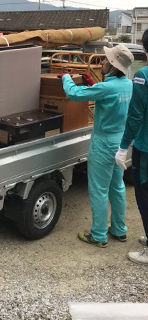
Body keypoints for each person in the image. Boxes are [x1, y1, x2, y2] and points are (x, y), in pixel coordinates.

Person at [59, 45, 134, 247]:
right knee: (117, 186)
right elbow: (109, 96)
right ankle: (119, 230)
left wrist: (66, 77)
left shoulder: (107, 88)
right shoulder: (128, 84)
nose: (102, 61)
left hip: (103, 142)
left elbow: (73, 94)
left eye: (106, 60)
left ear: (113, 66)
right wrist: (93, 84)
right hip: (120, 142)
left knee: (99, 189)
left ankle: (99, 235)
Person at [115, 30, 148, 264]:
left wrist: (123, 146)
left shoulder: (143, 76)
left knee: (144, 196)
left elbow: (135, 117)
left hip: (145, 149)